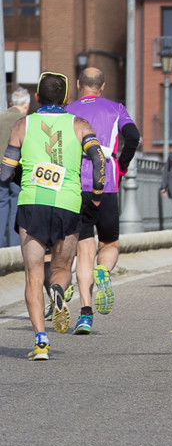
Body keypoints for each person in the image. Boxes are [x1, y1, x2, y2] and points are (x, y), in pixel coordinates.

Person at [0, 72, 107, 359]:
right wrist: (96, 197)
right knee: (61, 269)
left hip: (32, 204)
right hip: (67, 205)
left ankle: (40, 341)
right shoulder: (80, 124)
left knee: (33, 275)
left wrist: (23, 177)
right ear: (66, 99)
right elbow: (99, 160)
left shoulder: (23, 124)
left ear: (36, 98)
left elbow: (5, 172)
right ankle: (58, 291)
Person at [66, 67, 141, 333]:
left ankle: (85, 313)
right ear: (103, 86)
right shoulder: (116, 108)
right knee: (109, 242)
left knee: (84, 249)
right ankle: (104, 272)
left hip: (75, 185)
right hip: (106, 182)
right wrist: (122, 164)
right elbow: (133, 136)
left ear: (78, 85)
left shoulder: (68, 111)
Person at [0, 87, 31, 246]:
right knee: (15, 205)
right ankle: (15, 244)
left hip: (0, 167)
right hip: (17, 168)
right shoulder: (26, 121)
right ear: (26, 104)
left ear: (11, 103)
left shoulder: (1, 117)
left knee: (1, 204)